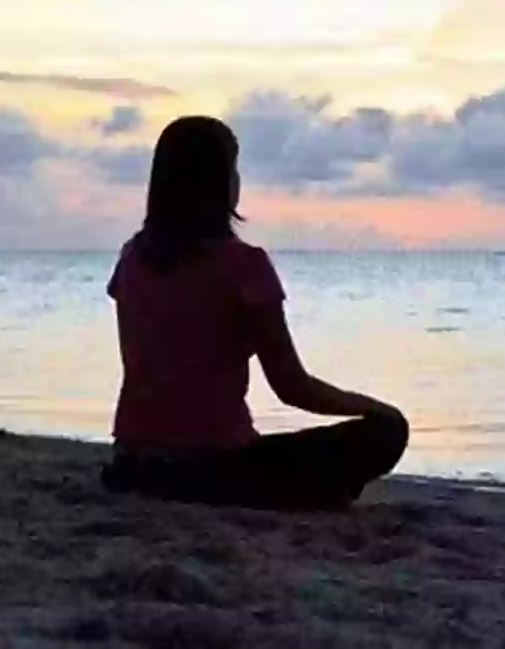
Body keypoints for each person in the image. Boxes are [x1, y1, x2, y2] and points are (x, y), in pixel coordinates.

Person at [100, 115, 408, 509]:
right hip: (215, 466)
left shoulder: (131, 258)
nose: (238, 181)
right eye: (234, 169)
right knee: (387, 431)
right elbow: (292, 386)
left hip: (132, 461)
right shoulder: (244, 266)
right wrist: (373, 407)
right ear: (220, 183)